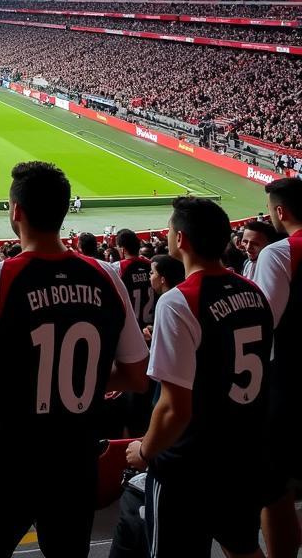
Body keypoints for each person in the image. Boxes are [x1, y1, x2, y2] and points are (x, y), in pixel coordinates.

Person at [0, 161, 149, 558]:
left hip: (3, 459)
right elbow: (138, 376)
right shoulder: (106, 276)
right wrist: (75, 381)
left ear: (16, 212)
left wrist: (3, 375)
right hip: (73, 460)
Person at [127, 197, 272, 558]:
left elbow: (175, 407)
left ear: (182, 240)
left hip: (188, 467)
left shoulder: (177, 302)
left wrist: (144, 450)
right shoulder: (254, 292)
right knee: (242, 547)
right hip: (241, 455)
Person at [255, 177, 302, 558]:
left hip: (289, 382)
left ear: (280, 211)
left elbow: (264, 321)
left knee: (274, 488)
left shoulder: (279, 253)